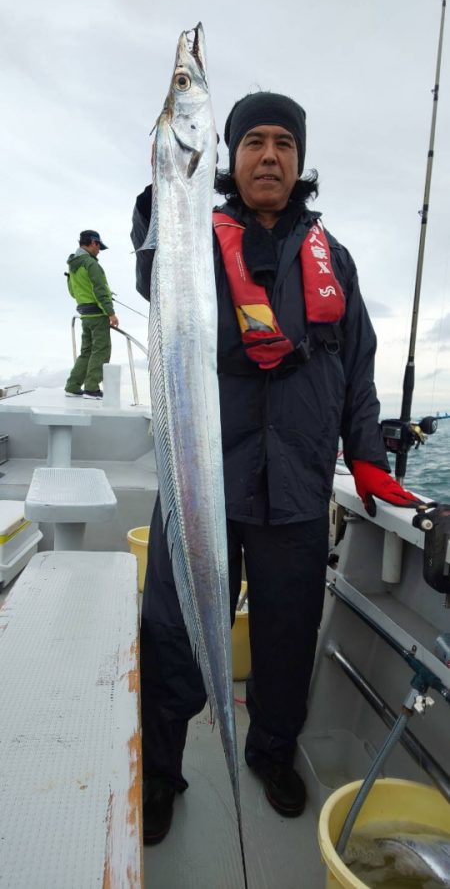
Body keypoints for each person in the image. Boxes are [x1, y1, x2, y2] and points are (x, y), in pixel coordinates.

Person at [131, 92, 421, 845]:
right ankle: (160, 770)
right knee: (172, 631)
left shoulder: (335, 258)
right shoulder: (191, 235)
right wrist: (162, 190)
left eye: (283, 144)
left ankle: (270, 750)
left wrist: (367, 458)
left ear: (299, 159)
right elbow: (152, 271)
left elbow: (357, 368)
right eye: (253, 141)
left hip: (296, 485)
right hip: (204, 481)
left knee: (288, 636)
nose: (269, 156)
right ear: (227, 157)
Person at [64, 229, 119, 399]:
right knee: (101, 350)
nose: (99, 250)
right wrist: (110, 313)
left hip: (85, 314)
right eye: (99, 246)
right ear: (93, 243)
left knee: (86, 351)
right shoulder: (91, 264)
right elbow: (100, 289)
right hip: (98, 315)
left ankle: (72, 386)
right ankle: (92, 388)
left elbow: (72, 292)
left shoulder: (73, 265)